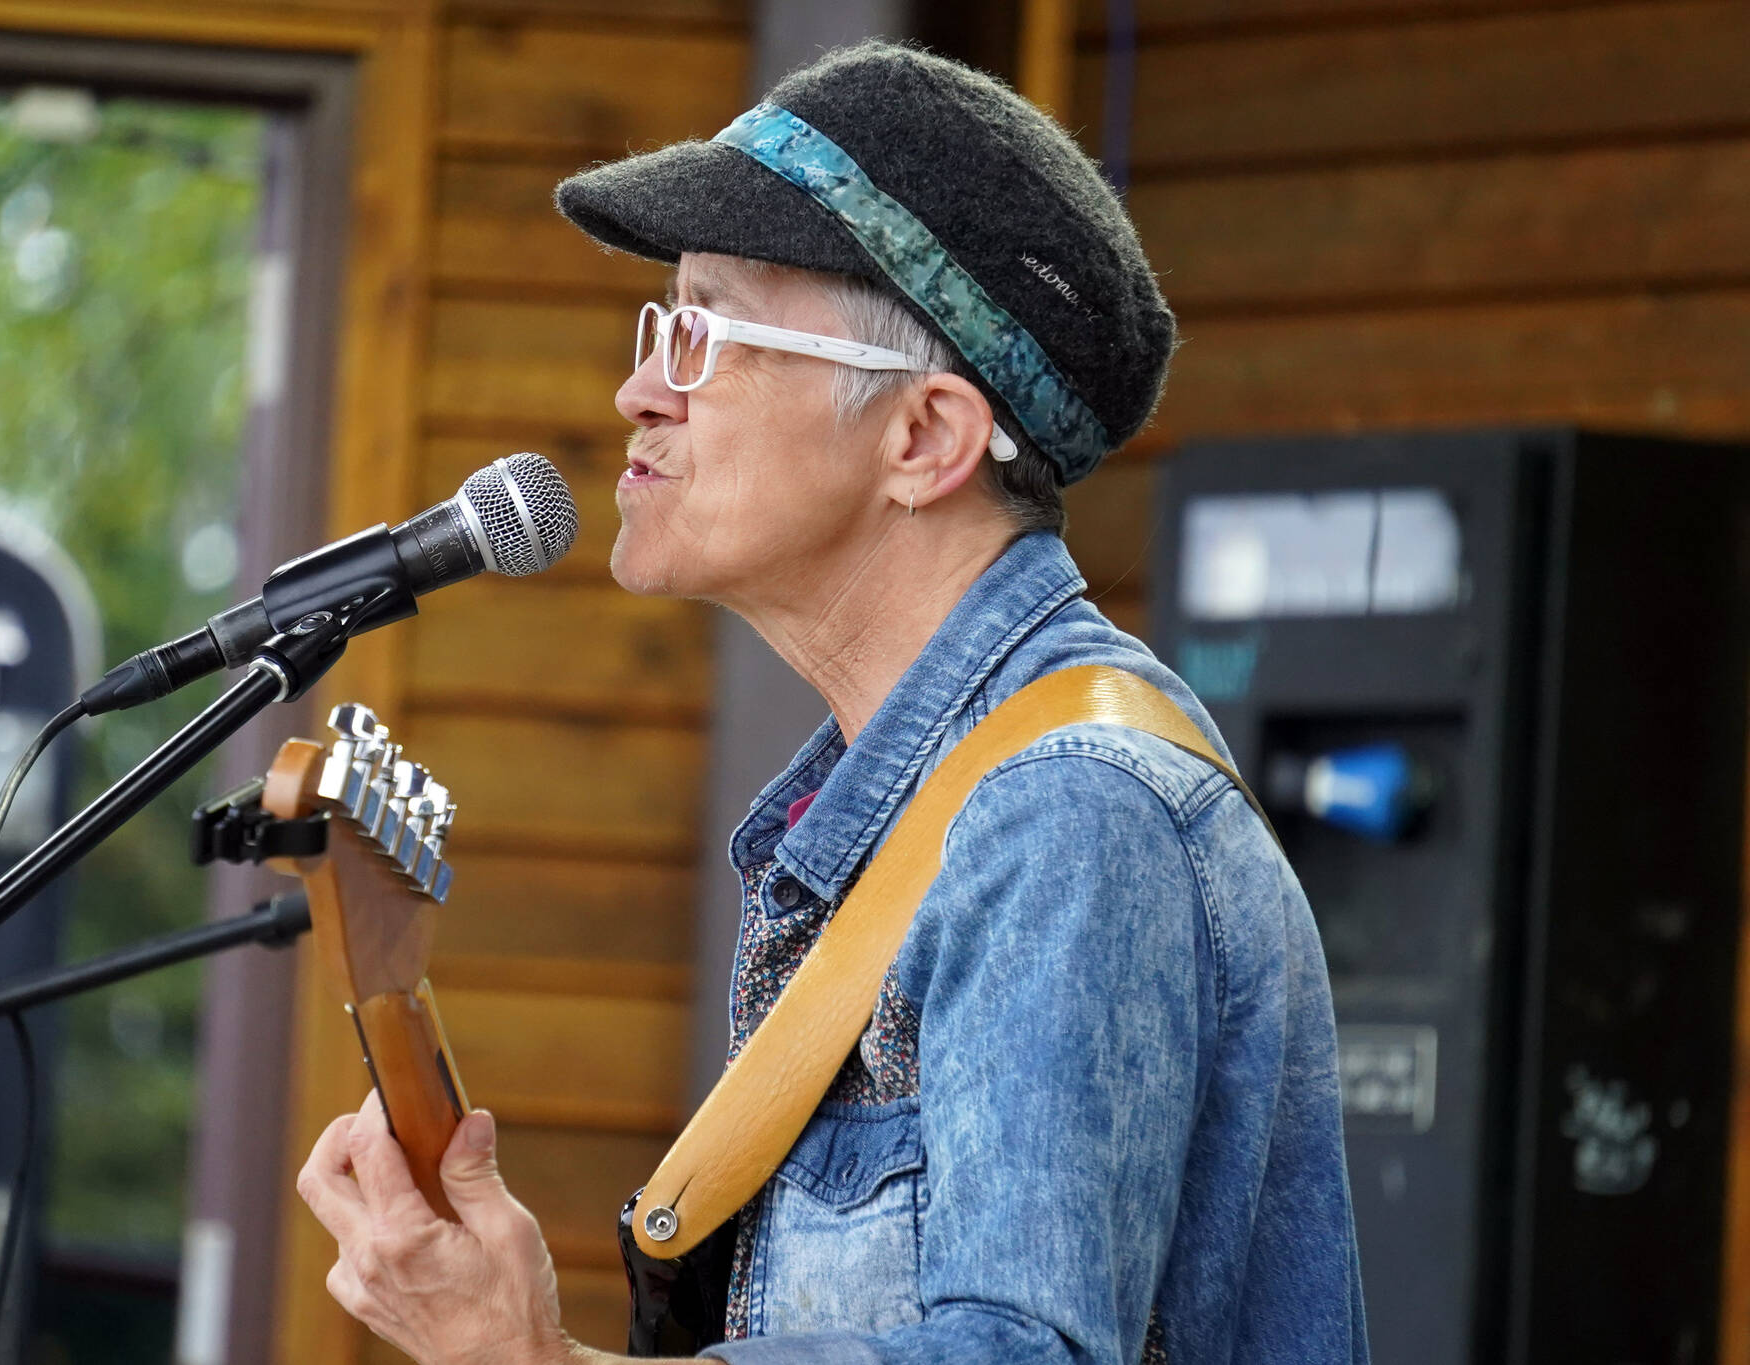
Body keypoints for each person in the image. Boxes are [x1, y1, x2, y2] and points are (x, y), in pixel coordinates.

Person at [297, 39, 1367, 1364]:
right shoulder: (922, 811)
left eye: (703, 330)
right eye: (657, 327)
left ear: (922, 439)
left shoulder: (1063, 813)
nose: (638, 390)